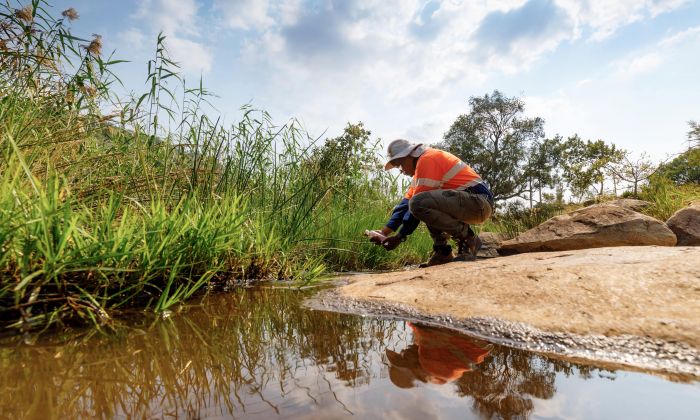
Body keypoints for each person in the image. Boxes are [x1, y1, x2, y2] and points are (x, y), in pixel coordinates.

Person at [370, 139, 494, 266]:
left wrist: (400, 236)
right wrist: (383, 233)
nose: (401, 170)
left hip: (479, 203)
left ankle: (468, 239)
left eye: (400, 165)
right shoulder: (420, 172)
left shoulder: (428, 159)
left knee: (421, 203)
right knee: (423, 203)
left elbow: (415, 206)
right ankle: (443, 252)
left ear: (409, 156)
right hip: (471, 204)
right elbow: (405, 205)